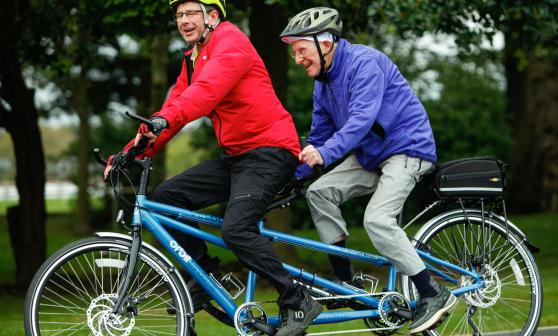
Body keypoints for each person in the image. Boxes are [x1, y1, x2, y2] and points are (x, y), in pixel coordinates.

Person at [104, 1, 322, 335]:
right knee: (167, 198)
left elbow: (205, 94)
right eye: (178, 15)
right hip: (237, 156)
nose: (183, 20)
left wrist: (168, 117)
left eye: (191, 13)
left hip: (270, 151)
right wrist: (128, 152)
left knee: (236, 229)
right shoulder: (193, 57)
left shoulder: (231, 42)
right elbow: (173, 108)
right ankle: (203, 273)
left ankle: (297, 299)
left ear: (213, 17)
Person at [280, 7, 457, 334]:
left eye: (301, 51)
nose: (297, 59)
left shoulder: (365, 63)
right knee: (319, 194)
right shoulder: (323, 83)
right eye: (294, 53)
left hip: (406, 149)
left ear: (327, 42)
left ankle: (434, 293)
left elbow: (360, 122)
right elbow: (319, 136)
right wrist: (293, 178)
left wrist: (324, 152)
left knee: (376, 219)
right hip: (372, 157)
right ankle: (347, 283)